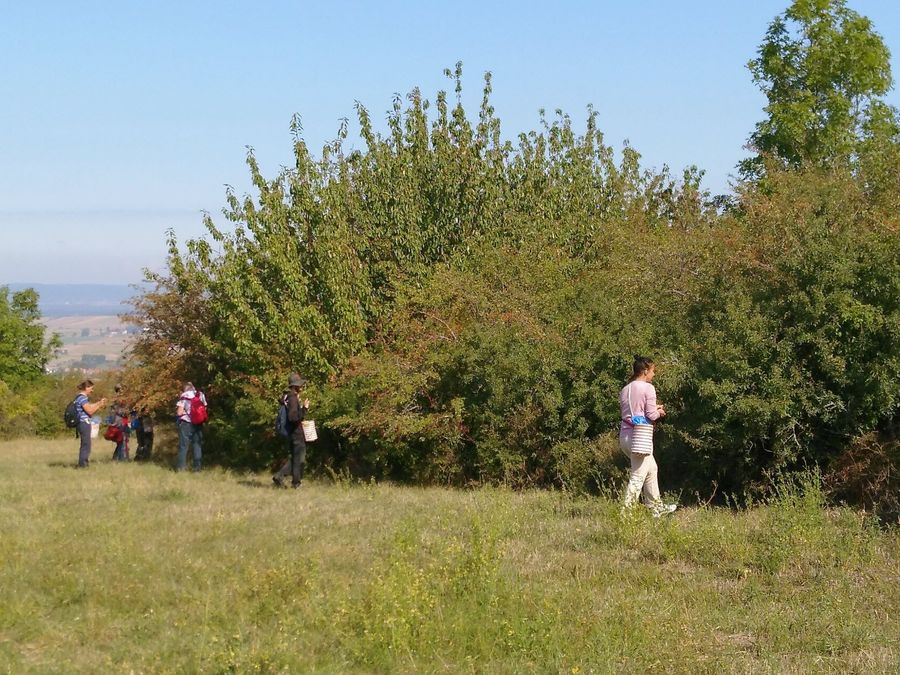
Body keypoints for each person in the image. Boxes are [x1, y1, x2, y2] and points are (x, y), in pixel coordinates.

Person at [619, 356, 677, 516]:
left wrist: (652, 409)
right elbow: (651, 415)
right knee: (638, 476)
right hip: (639, 438)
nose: (654, 374)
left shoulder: (625, 389)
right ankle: (626, 514)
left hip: (625, 436)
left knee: (651, 469)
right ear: (645, 371)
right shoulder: (648, 388)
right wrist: (660, 412)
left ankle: (655, 507)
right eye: (652, 371)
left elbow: (633, 413)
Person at [273, 373, 310, 489]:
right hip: (296, 433)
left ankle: (284, 478)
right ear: (294, 386)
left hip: (292, 433)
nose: (302, 387)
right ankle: (294, 483)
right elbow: (293, 417)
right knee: (298, 459)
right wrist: (304, 409)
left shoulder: (288, 397)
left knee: (296, 458)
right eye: (300, 385)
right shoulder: (293, 398)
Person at [73, 380, 107, 468]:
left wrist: (99, 403)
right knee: (86, 444)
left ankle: (83, 463)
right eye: (91, 388)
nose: (92, 390)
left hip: (82, 423)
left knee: (85, 444)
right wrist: (99, 405)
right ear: (86, 388)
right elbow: (90, 411)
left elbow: (89, 407)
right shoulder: (82, 398)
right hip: (84, 423)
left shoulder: (79, 397)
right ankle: (83, 464)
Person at [175, 382, 206, 471]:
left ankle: (181, 469)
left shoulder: (185, 395)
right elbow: (204, 408)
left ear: (185, 389)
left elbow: (179, 412)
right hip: (198, 423)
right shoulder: (200, 395)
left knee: (183, 446)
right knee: (197, 445)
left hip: (186, 423)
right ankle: (197, 468)